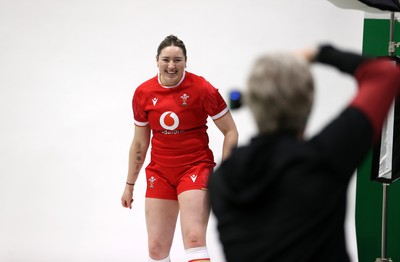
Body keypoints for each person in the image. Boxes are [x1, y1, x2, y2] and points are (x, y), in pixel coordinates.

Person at [208, 45, 400, 261]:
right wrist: (319, 53)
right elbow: (385, 74)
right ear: (307, 102)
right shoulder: (324, 158)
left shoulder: (222, 180)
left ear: (252, 102)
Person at [121, 34, 238, 262]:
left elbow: (231, 131)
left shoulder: (202, 88)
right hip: (160, 172)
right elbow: (139, 144)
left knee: (194, 238)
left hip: (195, 168)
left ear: (186, 61)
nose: (171, 65)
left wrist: (227, 173)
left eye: (177, 60)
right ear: (157, 61)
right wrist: (129, 185)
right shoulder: (143, 94)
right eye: (166, 59)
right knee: (156, 248)